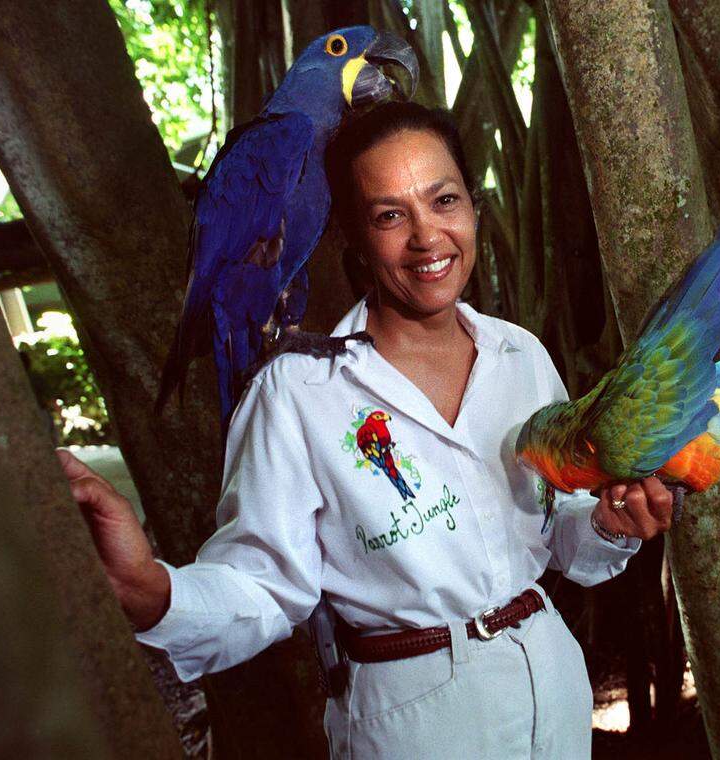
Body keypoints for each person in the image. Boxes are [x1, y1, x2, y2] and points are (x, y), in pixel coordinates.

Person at [57, 101, 675, 759]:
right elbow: (265, 581)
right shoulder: (298, 391)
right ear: (350, 236)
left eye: (443, 200)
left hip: (550, 684)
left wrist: (614, 522)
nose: (426, 236)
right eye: (389, 215)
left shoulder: (519, 355)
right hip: (415, 719)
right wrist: (152, 592)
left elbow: (562, 538)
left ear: (473, 206)